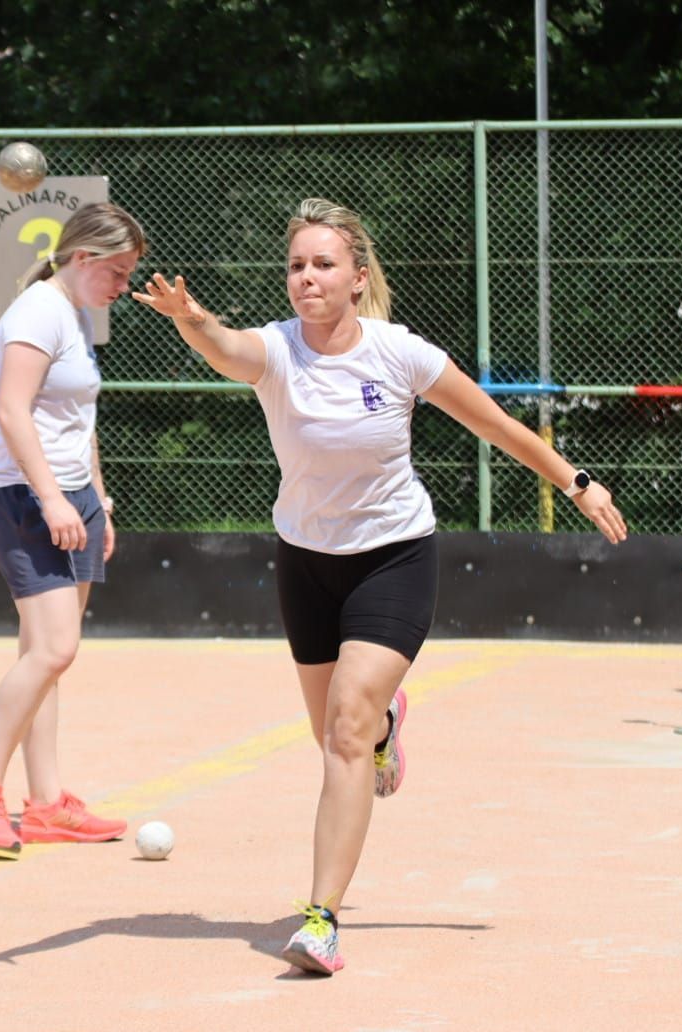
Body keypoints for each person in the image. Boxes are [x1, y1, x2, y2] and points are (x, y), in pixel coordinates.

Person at [132, 197, 627, 975]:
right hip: (306, 562)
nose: (307, 277)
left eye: (323, 264)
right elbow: (227, 348)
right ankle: (388, 729)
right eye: (296, 265)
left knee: (343, 732)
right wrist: (191, 320)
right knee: (337, 738)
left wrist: (578, 483)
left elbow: (493, 424)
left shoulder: (400, 354)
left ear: (357, 277)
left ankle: (320, 919)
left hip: (393, 558)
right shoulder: (276, 351)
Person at [0, 203, 149, 856]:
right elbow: (11, 412)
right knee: (54, 650)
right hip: (25, 500)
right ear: (82, 258)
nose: (123, 286)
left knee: (45, 653)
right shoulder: (37, 312)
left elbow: (78, 421)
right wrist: (54, 499)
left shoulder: (75, 315)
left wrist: (98, 500)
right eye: (117, 272)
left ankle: (47, 805)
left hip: (71, 498)